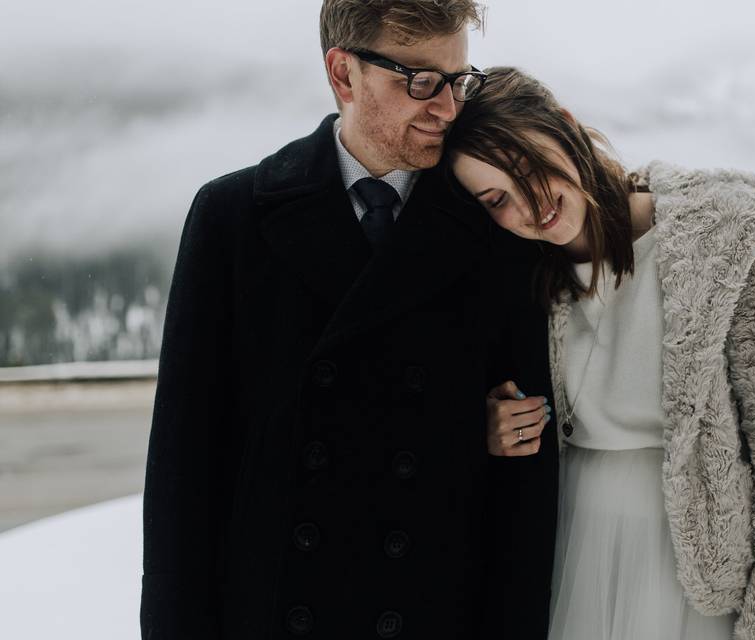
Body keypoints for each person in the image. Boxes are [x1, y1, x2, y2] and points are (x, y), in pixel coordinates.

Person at [140, 5, 560, 639]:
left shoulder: (495, 229)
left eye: (457, 79)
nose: (447, 108)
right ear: (343, 74)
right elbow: (182, 473)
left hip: (433, 611)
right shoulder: (231, 219)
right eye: (419, 80)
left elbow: (523, 499)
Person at [446, 67, 755, 640]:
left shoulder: (724, 246)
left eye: (528, 166)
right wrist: (485, 427)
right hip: (561, 557)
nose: (529, 204)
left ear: (565, 127)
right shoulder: (515, 279)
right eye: (496, 198)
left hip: (693, 574)